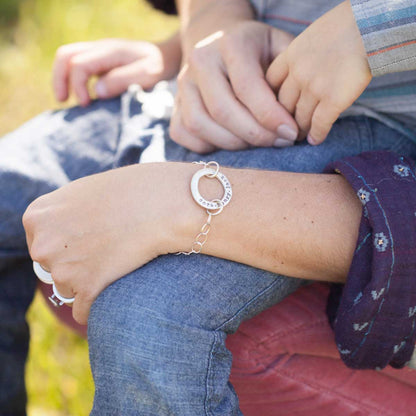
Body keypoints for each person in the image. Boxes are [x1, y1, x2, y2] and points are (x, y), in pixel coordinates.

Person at [1, 0, 416, 414]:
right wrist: (210, 27)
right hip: (235, 85)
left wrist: (373, 29)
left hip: (372, 133)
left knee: (145, 317)